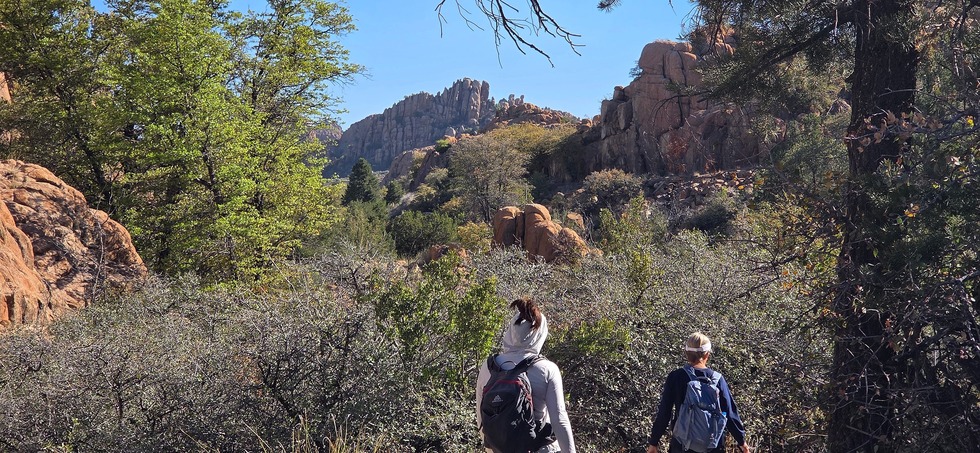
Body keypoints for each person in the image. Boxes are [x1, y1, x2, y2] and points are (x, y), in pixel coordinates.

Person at [476, 298, 576, 453]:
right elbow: (559, 420)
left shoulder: (489, 366)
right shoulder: (547, 369)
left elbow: (481, 417)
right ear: (540, 333)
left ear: (511, 331)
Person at [646, 332, 750, 453]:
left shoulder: (676, 377)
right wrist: (742, 442)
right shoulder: (718, 379)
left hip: (681, 446)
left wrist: (654, 442)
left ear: (686, 353)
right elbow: (730, 414)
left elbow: (664, 413)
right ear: (707, 354)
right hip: (713, 447)